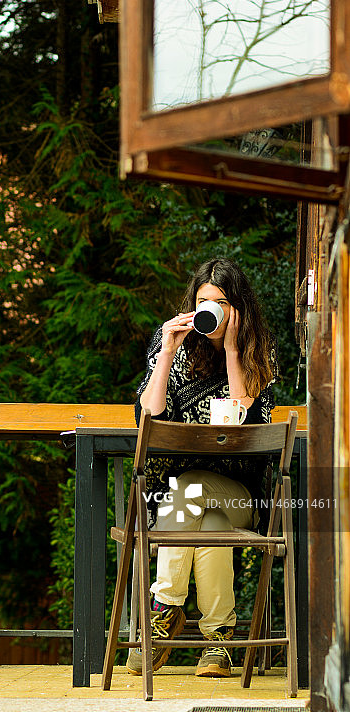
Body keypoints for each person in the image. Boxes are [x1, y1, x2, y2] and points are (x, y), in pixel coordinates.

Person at [126, 258, 277, 679]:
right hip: (183, 505)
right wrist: (167, 350)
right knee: (208, 520)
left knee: (193, 489)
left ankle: (164, 609)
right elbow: (150, 416)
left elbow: (241, 417)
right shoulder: (173, 345)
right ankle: (218, 643)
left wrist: (230, 349)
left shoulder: (256, 349)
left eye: (221, 301)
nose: (210, 308)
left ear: (237, 308)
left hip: (240, 495)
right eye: (203, 300)